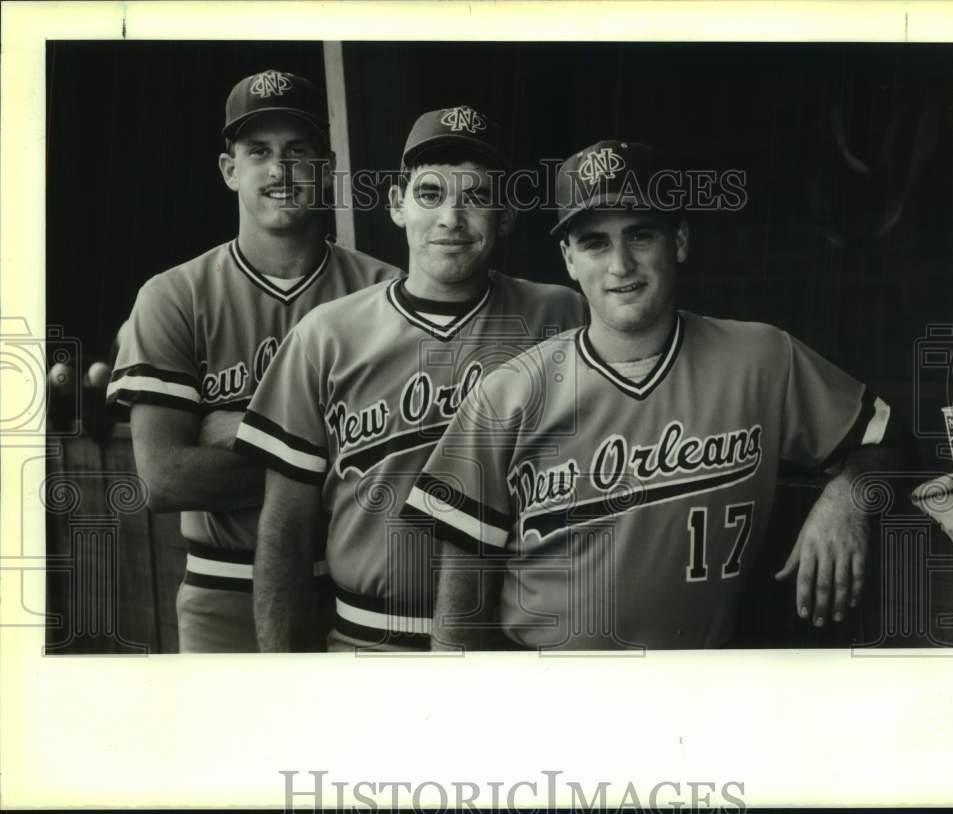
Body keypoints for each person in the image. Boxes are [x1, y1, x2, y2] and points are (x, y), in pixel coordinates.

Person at [405, 139, 908, 650]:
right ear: (568, 259)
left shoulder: (763, 358)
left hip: (696, 694)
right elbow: (460, 605)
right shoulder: (508, 395)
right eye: (595, 243)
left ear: (680, 240)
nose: (620, 265)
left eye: (641, 234)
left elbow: (891, 441)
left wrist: (848, 496)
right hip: (550, 695)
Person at [234, 106, 587, 652]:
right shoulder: (327, 335)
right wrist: (281, 673)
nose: (451, 216)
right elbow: (285, 530)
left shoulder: (559, 318)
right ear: (397, 205)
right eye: (429, 194)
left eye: (475, 196)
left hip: (514, 641)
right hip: (365, 640)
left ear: (507, 215)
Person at [107, 70, 400, 652]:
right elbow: (163, 477)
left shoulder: (385, 292)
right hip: (224, 594)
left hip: (358, 597)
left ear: (326, 167)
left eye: (298, 152)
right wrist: (325, 449)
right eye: (259, 151)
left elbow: (398, 469)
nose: (280, 170)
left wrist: (235, 433)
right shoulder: (174, 295)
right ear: (229, 169)